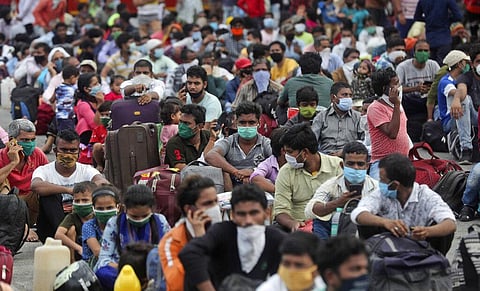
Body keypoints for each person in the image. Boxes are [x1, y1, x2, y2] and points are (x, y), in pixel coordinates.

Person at [179, 184, 286, 290]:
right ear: (232, 215)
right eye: (241, 214)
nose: (248, 220)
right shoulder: (222, 232)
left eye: (254, 213)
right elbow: (190, 253)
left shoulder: (276, 238)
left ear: (266, 213)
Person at [351, 153, 457, 255]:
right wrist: (385, 222)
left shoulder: (426, 196)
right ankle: (372, 261)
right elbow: (358, 213)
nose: (380, 183)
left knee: (443, 232)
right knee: (366, 222)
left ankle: (434, 265)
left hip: (421, 248)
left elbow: (450, 223)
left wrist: (427, 231)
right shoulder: (380, 194)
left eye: (382, 180)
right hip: (386, 246)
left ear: (395, 185)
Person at [31, 129, 109, 243]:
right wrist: (68, 190)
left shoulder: (86, 170)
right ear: (55, 150)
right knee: (49, 196)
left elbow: (103, 183)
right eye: (64, 150)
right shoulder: (44, 170)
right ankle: (65, 235)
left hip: (81, 223)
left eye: (72, 150)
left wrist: (83, 190)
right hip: (52, 228)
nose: (68, 154)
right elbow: (35, 185)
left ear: (79, 152)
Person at [95, 184, 171, 290]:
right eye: (134, 216)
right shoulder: (114, 223)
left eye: (144, 216)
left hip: (152, 272)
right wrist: (126, 269)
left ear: (152, 209)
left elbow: (170, 252)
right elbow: (104, 258)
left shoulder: (160, 221)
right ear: (125, 208)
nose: (140, 219)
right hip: (122, 272)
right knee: (102, 273)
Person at [274, 123, 343, 232]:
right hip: (300, 227)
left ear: (305, 152)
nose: (286, 156)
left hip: (331, 225)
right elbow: (280, 210)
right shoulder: (286, 172)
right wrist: (293, 224)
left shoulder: (337, 166)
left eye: (290, 152)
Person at [159, 175, 222, 291]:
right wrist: (200, 241)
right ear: (189, 209)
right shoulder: (171, 242)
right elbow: (177, 284)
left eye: (216, 202)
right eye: (208, 204)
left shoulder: (225, 232)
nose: (215, 208)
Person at [305, 142, 378, 239]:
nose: (355, 168)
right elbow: (310, 210)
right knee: (319, 221)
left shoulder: (376, 188)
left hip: (366, 236)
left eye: (360, 164)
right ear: (342, 165)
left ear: (367, 166)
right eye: (351, 164)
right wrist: (338, 203)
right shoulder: (331, 185)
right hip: (336, 233)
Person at [0, 119, 49, 241]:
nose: (30, 144)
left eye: (32, 140)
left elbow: (50, 178)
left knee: (44, 185)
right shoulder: (1, 156)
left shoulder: (37, 154)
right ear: (12, 141)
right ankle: (24, 228)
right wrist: (13, 162)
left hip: (30, 205)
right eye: (25, 140)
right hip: (8, 208)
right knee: (3, 184)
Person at [205, 101, 272, 190]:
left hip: (260, 191)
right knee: (222, 171)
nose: (247, 126)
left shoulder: (265, 143)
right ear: (236, 123)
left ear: (259, 123)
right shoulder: (229, 141)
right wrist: (236, 172)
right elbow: (210, 156)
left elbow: (278, 160)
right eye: (243, 122)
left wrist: (253, 172)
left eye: (251, 122)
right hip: (231, 190)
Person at [367, 68, 410, 179]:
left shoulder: (397, 104)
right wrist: (396, 105)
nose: (399, 86)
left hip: (403, 162)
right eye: (395, 84)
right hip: (382, 163)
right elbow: (392, 133)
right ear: (384, 88)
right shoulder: (375, 108)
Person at [438, 50, 477, 164]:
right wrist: (457, 98)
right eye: (466, 62)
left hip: (466, 115)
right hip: (450, 120)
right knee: (464, 98)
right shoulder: (446, 81)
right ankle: (466, 148)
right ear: (460, 64)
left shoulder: (465, 79)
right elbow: (456, 92)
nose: (469, 65)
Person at [396, 39, 440, 142]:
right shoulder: (403, 67)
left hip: (429, 101)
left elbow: (441, 84)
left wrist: (430, 88)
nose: (423, 53)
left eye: (426, 50)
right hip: (410, 102)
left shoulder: (433, 65)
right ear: (414, 52)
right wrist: (415, 88)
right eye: (420, 50)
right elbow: (396, 89)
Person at [256, 232, 326, 291]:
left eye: (299, 265)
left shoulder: (328, 286)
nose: (291, 270)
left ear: (316, 270)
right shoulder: (268, 288)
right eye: (286, 264)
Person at [311, 82, 364, 156]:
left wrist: (345, 151)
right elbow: (312, 140)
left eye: (350, 95)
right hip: (326, 157)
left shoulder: (357, 117)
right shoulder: (321, 117)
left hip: (350, 156)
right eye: (344, 95)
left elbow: (364, 141)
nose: (348, 98)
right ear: (333, 97)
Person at [110, 59, 163, 130]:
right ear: (133, 74)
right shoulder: (127, 83)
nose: (142, 75)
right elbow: (125, 91)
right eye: (138, 73)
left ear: (151, 74)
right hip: (128, 120)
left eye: (145, 73)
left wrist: (149, 95)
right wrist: (135, 87)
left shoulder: (158, 83)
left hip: (151, 120)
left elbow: (157, 93)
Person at [55, 181, 96, 263]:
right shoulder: (72, 216)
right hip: (77, 251)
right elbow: (58, 234)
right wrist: (79, 248)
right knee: (71, 230)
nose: (81, 204)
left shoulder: (97, 216)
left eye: (85, 200)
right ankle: (72, 262)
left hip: (94, 249)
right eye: (77, 201)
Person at [164, 104, 215, 170]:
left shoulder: (208, 136)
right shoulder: (174, 143)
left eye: (186, 123)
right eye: (180, 122)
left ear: (200, 126)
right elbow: (183, 169)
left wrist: (212, 140)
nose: (181, 126)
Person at [414, 0, 463, 64]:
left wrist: (428, 20)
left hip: (430, 38)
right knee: (443, 65)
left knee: (430, 65)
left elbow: (417, 17)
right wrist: (447, 21)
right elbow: (458, 16)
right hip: (444, 37)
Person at [82, 185, 120, 267]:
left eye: (109, 207)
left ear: (118, 207)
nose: (105, 211)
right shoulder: (89, 226)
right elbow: (97, 251)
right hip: (94, 267)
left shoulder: (122, 224)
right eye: (100, 209)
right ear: (93, 209)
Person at [75, 73, 105, 165]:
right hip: (89, 138)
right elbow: (96, 124)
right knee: (84, 122)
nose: (98, 86)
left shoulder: (99, 98)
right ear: (86, 89)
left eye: (99, 83)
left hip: (102, 135)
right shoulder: (83, 104)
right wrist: (101, 104)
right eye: (95, 84)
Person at [250, 128, 287, 194]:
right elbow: (255, 178)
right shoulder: (270, 163)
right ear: (283, 150)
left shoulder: (297, 162)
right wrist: (281, 192)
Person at [50, 65, 79, 132]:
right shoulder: (74, 89)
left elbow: (51, 100)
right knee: (68, 134)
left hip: (59, 116)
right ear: (72, 77)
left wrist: (55, 109)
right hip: (68, 116)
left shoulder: (58, 87)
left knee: (61, 133)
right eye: (76, 79)